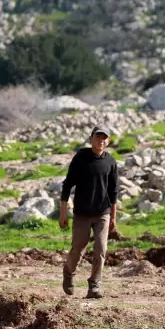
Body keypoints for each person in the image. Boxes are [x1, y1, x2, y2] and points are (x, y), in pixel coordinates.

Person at [58, 125, 119, 299]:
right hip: (82, 213)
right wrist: (63, 212)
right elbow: (67, 184)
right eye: (98, 137)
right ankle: (69, 272)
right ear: (91, 138)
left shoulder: (111, 162)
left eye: (104, 138)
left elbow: (114, 191)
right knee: (78, 249)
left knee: (101, 248)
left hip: (103, 213)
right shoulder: (81, 158)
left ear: (108, 141)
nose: (101, 141)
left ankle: (94, 285)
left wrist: (113, 216)